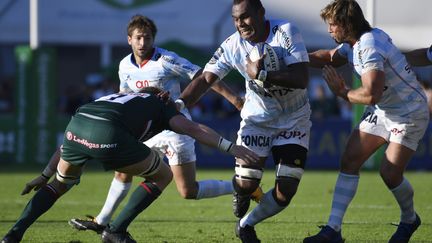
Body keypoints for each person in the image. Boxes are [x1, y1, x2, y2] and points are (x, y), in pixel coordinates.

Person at [68, 15, 263, 233]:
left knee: (188, 191)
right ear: (129, 40)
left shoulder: (166, 60)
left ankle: (243, 187)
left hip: (175, 129)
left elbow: (203, 75)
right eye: (139, 38)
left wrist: (235, 99)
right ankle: (101, 221)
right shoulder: (124, 65)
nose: (143, 44)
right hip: (145, 130)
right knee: (123, 172)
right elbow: (125, 95)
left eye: (148, 38)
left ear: (154, 39)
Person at [0, 88, 260, 243]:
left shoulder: (123, 97)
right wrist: (231, 147)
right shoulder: (163, 107)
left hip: (78, 123)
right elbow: (193, 129)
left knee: (59, 183)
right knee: (163, 175)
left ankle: (13, 235)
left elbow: (64, 147)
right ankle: (116, 230)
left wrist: (44, 174)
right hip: (108, 133)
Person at [179, 0, 311, 242]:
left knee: (286, 191)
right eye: (236, 19)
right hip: (257, 119)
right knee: (247, 184)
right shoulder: (232, 44)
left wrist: (262, 75)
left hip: (294, 119)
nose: (241, 23)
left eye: (246, 17)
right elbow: (206, 78)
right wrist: (179, 104)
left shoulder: (286, 31)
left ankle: (245, 225)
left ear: (261, 13)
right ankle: (241, 190)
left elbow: (302, 78)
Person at [304, 1, 429, 242]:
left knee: (390, 173)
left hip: (409, 112)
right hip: (384, 109)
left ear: (347, 25)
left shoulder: (369, 46)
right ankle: (333, 230)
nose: (329, 30)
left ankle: (409, 219)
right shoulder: (355, 43)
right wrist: (296, 57)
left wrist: (342, 92)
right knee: (350, 158)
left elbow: (372, 93)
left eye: (333, 25)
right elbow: (330, 57)